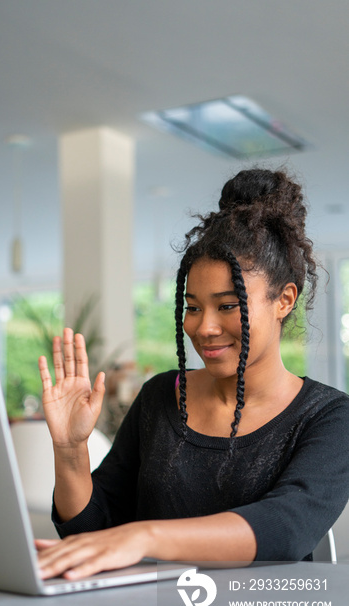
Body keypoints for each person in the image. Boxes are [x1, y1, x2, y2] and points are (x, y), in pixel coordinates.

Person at [36, 168, 349, 581]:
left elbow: (285, 528)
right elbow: (91, 533)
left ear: (284, 300)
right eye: (194, 307)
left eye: (227, 305)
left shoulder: (330, 417)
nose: (204, 328)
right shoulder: (161, 396)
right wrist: (70, 449)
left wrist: (145, 537)